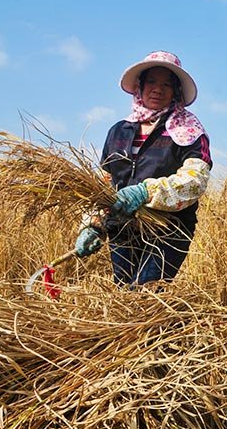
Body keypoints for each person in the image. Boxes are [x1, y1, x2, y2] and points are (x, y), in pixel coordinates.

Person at [75, 50, 212, 285]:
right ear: (140, 86)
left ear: (176, 92)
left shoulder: (189, 132)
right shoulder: (119, 130)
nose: (158, 89)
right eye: (152, 82)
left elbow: (195, 180)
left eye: (167, 85)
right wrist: (93, 225)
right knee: (124, 294)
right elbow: (105, 182)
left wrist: (144, 192)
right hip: (122, 228)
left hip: (168, 229)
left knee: (145, 292)